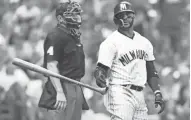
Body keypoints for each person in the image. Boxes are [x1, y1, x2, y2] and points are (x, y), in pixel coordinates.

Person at [94, 1, 165, 120]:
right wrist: (99, 76)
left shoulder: (144, 42)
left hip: (139, 93)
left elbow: (151, 71)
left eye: (128, 15)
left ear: (134, 17)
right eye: (121, 16)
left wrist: (157, 92)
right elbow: (101, 69)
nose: (125, 18)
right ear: (116, 20)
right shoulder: (110, 42)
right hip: (120, 92)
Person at [38, 1, 89, 120]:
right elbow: (51, 65)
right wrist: (59, 92)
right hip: (61, 86)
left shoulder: (74, 36)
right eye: (71, 14)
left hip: (76, 85)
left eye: (77, 14)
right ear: (60, 18)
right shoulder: (55, 35)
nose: (76, 17)